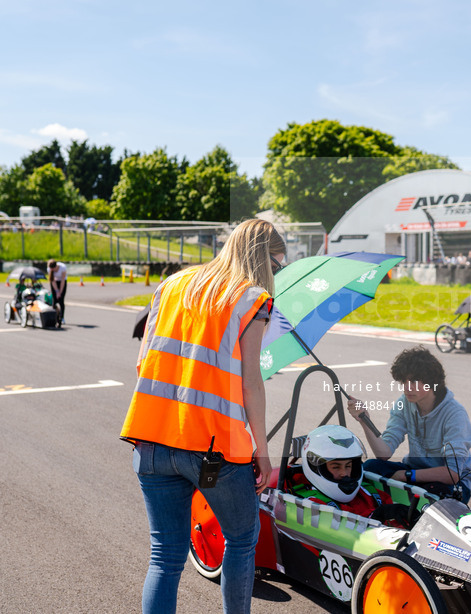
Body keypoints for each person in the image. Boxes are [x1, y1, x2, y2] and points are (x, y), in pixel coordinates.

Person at [120, 219, 285, 614]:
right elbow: (251, 386)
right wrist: (262, 451)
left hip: (152, 439)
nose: (276, 273)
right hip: (214, 448)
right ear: (262, 257)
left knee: (165, 555)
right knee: (243, 538)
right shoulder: (251, 297)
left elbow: (143, 363)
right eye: (276, 264)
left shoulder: (172, 285)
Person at [347, 346, 471, 503]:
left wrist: (405, 475)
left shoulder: (455, 414)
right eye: (404, 381)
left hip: (452, 484)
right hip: (415, 471)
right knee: (370, 467)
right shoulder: (404, 403)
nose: (407, 388)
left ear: (431, 381)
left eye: (414, 381)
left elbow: (452, 474)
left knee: (433, 493)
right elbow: (384, 453)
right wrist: (364, 420)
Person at [287, 425, 410, 527]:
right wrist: (376, 516)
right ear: (316, 468)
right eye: (336, 467)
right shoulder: (310, 504)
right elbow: (338, 533)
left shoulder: (368, 492)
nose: (344, 473)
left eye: (348, 466)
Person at [46, 259, 67, 324]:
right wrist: (57, 291)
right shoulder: (49, 269)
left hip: (62, 282)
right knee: (54, 300)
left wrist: (60, 292)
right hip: (54, 283)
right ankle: (54, 317)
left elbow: (63, 280)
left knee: (61, 300)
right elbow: (52, 281)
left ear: (55, 267)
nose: (52, 270)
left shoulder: (62, 267)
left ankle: (62, 317)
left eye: (53, 269)